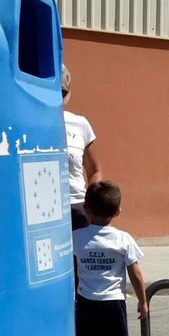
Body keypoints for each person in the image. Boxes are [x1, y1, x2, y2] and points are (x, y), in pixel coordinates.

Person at [73, 181, 145, 336]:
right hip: (113, 304)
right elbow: (136, 273)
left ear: (86, 209)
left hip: (85, 303)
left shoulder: (76, 238)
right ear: (118, 211)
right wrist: (143, 302)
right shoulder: (123, 239)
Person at [62, 65, 103, 229]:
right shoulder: (28, 123)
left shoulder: (80, 124)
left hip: (76, 208)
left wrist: (92, 206)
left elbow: (94, 171)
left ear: (69, 92)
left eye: (63, 92)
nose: (58, 97)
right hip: (42, 208)